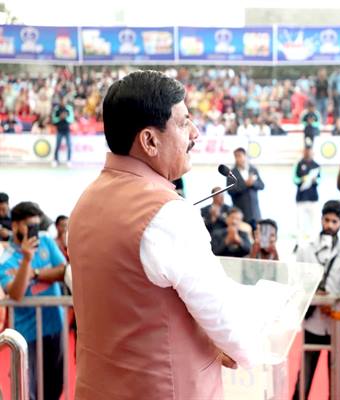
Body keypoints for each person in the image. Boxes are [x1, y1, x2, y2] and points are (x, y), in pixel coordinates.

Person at [68, 71, 275, 399]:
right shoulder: (166, 214)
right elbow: (227, 321)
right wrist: (249, 344)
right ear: (149, 141)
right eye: (183, 123)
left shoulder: (85, 201)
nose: (194, 133)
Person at [0, 201, 67, 400]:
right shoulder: (6, 258)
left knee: (55, 386)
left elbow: (63, 271)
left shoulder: (45, 241)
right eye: (29, 226)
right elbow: (16, 293)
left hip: (55, 327)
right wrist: (27, 260)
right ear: (15, 225)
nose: (34, 231)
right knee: (28, 390)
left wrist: (35, 273)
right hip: (27, 334)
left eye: (36, 226)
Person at [293, 200, 340, 400]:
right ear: (321, 219)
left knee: (336, 380)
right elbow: (297, 283)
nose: (329, 225)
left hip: (337, 324)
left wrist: (336, 305)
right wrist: (313, 297)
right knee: (304, 377)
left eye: (334, 221)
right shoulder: (305, 249)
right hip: (312, 322)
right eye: (326, 220)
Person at [228, 147, 265, 226]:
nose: (238, 158)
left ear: (245, 156)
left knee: (258, 232)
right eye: (236, 156)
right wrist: (245, 184)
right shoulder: (231, 173)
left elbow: (262, 185)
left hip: (255, 213)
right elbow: (230, 191)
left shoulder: (253, 169)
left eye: (240, 156)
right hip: (240, 214)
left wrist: (253, 183)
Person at [294, 145, 321, 244]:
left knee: (314, 223)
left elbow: (320, 180)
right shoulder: (298, 164)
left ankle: (314, 242)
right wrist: (302, 179)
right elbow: (294, 179)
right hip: (301, 199)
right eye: (306, 151)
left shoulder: (316, 165)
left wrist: (315, 180)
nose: (308, 153)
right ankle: (299, 243)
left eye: (310, 151)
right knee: (300, 223)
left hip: (313, 199)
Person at [51, 97, 74, 166]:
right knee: (57, 146)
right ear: (60, 101)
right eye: (62, 101)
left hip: (67, 130)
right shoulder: (57, 109)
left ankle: (69, 160)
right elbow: (54, 120)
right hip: (59, 130)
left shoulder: (69, 109)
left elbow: (71, 119)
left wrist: (65, 117)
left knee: (69, 146)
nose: (63, 102)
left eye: (64, 100)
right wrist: (59, 117)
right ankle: (55, 160)